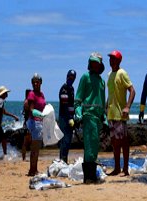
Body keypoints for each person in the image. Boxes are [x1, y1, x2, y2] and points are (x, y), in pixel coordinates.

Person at [75, 52, 106, 184]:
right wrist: (78, 114)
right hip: (88, 116)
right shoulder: (85, 77)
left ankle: (91, 176)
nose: (94, 64)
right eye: (92, 62)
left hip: (97, 118)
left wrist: (104, 118)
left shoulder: (101, 81)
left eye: (96, 63)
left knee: (94, 147)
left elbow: (102, 102)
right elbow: (78, 99)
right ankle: (88, 178)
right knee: (89, 146)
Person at [106, 50, 136, 176]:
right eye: (110, 58)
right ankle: (117, 168)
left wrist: (127, 107)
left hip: (120, 114)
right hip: (111, 114)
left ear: (119, 61)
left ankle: (125, 169)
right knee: (114, 142)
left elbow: (132, 90)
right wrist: (106, 107)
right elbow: (111, 93)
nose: (111, 60)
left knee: (123, 142)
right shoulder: (109, 74)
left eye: (113, 58)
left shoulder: (122, 73)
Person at [26, 74, 46, 176]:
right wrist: (38, 113)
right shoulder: (31, 94)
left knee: (37, 148)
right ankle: (32, 170)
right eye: (33, 82)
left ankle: (35, 169)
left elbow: (43, 106)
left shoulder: (41, 94)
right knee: (34, 148)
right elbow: (31, 109)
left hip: (40, 122)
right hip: (35, 122)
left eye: (37, 81)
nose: (35, 83)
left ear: (41, 82)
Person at [58, 69, 77, 162]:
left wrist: (74, 116)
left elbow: (71, 105)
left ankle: (65, 159)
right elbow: (65, 105)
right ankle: (62, 160)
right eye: (70, 77)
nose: (71, 79)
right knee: (64, 140)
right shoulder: (64, 89)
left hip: (70, 118)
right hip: (64, 118)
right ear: (67, 76)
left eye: (73, 78)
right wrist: (69, 118)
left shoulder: (72, 89)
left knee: (68, 140)